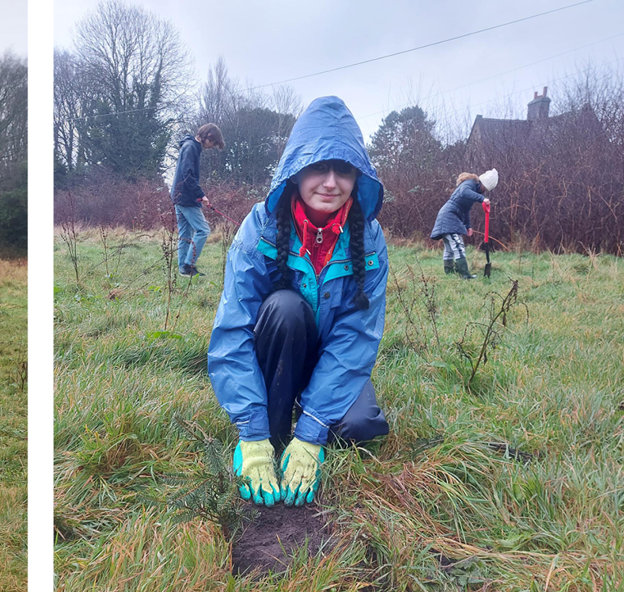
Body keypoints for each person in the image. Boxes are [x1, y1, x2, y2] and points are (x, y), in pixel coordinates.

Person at [210, 97, 390, 508]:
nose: (330, 182)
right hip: (277, 348)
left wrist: (311, 431)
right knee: (286, 308)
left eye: (343, 170)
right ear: (295, 170)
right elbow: (233, 328)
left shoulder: (370, 237)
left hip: (330, 355)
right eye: (317, 168)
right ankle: (268, 433)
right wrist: (251, 433)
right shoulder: (260, 226)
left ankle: (305, 419)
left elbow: (356, 336)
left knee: (360, 425)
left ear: (357, 176)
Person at [172, 123, 224, 275]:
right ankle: (189, 265)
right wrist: (201, 195)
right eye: (213, 143)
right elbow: (188, 176)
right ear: (207, 136)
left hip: (179, 196)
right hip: (185, 197)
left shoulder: (190, 146)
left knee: (185, 233)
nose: (211, 146)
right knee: (203, 230)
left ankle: (183, 269)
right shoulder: (191, 148)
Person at [431, 169, 496, 279]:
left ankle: (450, 274)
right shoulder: (469, 184)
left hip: (449, 215)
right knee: (457, 245)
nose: (484, 191)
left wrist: (468, 226)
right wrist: (482, 199)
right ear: (482, 183)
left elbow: (465, 210)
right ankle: (464, 275)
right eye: (485, 188)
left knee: (450, 248)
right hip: (449, 216)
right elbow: (463, 192)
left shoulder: (473, 188)